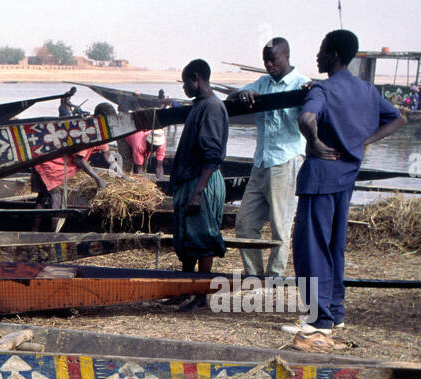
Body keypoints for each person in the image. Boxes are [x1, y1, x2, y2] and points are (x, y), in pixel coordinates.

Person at [286, 29, 405, 350]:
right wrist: (362, 142)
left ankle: (319, 319)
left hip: (320, 175)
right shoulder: (367, 90)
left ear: (334, 55)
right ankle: (335, 312)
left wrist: (316, 142)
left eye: (322, 50)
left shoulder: (322, 88)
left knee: (311, 248)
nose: (317, 55)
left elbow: (307, 118)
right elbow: (397, 118)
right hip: (347, 175)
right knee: (335, 246)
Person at [228, 37, 310, 280]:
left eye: (273, 60)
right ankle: (254, 274)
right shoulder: (262, 84)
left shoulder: (301, 84)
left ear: (286, 57)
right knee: (244, 223)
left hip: (285, 160)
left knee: (280, 225)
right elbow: (235, 95)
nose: (269, 65)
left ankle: (275, 277)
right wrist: (242, 95)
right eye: (266, 60)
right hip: (262, 162)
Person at [168, 59, 229, 310]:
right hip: (191, 180)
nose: (184, 88)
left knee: (203, 238)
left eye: (185, 82)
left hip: (202, 181)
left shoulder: (212, 107)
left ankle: (202, 295)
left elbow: (212, 154)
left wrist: (197, 192)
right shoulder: (199, 105)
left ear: (196, 78)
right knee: (186, 237)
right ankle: (186, 289)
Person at [29, 104, 110, 231]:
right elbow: (79, 159)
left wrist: (116, 167)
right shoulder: (88, 130)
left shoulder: (97, 127)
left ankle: (34, 230)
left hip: (44, 159)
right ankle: (53, 235)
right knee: (57, 198)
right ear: (101, 117)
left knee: (43, 197)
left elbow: (106, 151)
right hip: (51, 165)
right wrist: (97, 179)